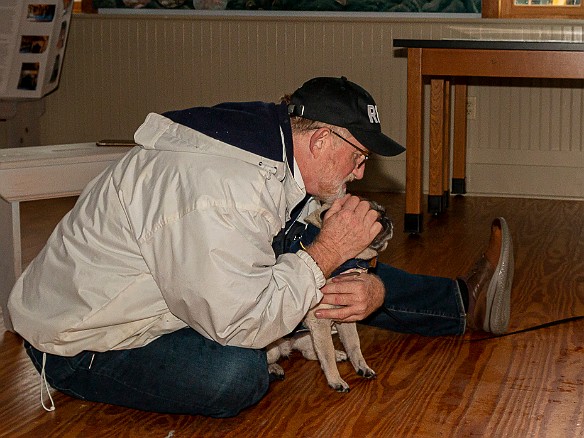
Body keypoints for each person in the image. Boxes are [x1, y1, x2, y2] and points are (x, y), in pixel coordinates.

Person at [7, 76, 513, 418]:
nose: (362, 172)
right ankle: (294, 336)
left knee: (322, 249)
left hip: (167, 297)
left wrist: (367, 284)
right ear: (318, 142)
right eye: (358, 156)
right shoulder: (216, 192)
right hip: (83, 341)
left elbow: (292, 254)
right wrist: (323, 257)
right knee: (236, 374)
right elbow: (238, 324)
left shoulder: (265, 147)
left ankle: (461, 302)